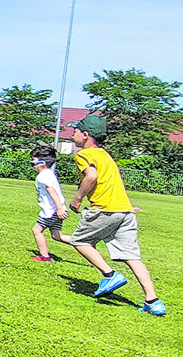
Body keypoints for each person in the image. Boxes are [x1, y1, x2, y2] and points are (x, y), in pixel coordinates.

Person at [65, 115, 165, 316]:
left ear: (86, 136)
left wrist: (77, 199)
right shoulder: (105, 155)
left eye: (75, 131)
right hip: (124, 210)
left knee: (79, 240)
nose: (72, 134)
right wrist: (126, 204)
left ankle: (109, 275)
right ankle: (153, 301)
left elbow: (91, 177)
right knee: (131, 257)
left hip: (104, 208)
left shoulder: (85, 154)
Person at [29, 144, 73, 261]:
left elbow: (52, 192)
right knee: (57, 235)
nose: (32, 164)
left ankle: (45, 256)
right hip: (56, 210)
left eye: (33, 162)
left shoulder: (43, 176)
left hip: (51, 211)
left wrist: (59, 208)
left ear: (42, 163)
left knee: (37, 230)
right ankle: (82, 243)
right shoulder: (50, 174)